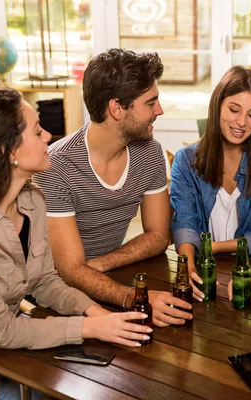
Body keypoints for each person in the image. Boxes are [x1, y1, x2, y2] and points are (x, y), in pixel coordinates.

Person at [0, 88, 154, 400]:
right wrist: (88, 328)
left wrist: (94, 312)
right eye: (37, 131)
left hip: (6, 365)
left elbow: (45, 281)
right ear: (6, 150)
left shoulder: (33, 200)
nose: (49, 135)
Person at [34, 48, 192, 326]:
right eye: (150, 103)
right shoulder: (57, 167)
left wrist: (101, 264)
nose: (160, 110)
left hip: (108, 277)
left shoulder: (150, 153)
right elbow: (68, 272)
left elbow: (158, 236)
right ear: (117, 108)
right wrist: (138, 298)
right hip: (54, 295)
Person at [170, 66, 251, 301]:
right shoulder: (185, 160)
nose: (242, 122)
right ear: (218, 106)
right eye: (234, 110)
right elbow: (185, 221)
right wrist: (188, 266)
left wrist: (213, 248)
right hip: (206, 272)